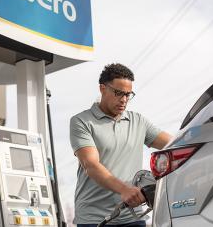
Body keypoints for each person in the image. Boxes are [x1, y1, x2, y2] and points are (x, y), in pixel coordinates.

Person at [70, 63, 172, 227]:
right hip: (94, 219)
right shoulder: (82, 121)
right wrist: (124, 189)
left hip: (133, 216)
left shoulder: (138, 121)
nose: (124, 100)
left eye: (128, 94)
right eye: (118, 93)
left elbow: (174, 144)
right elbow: (91, 165)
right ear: (102, 88)